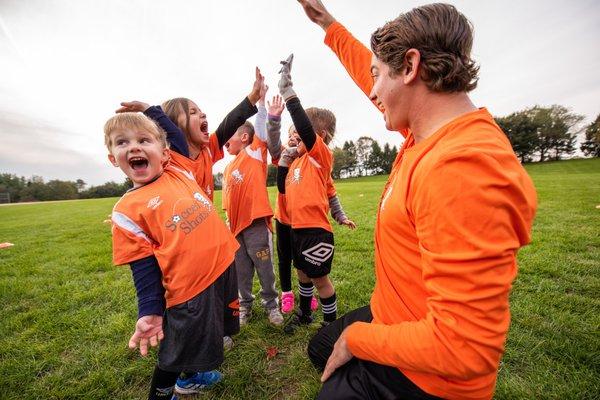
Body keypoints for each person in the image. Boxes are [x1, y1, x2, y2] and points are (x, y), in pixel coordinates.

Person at [297, 1, 538, 399]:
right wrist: (328, 24)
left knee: (337, 360)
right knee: (320, 347)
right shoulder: (426, 132)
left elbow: (464, 349)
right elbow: (371, 74)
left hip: (425, 378)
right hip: (394, 312)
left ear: (409, 67)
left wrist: (359, 339)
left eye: (378, 76)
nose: (372, 90)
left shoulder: (461, 167)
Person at [105, 112, 239, 399]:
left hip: (224, 268)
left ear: (166, 154)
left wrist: (151, 110)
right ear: (113, 159)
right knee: (176, 350)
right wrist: (151, 312)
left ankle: (190, 379)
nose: (134, 147)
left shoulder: (179, 171)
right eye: (122, 142)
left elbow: (175, 136)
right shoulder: (127, 210)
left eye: (144, 140)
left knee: (203, 337)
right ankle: (162, 394)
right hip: (190, 291)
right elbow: (143, 269)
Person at [275, 55, 355, 333]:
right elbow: (283, 188)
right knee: (303, 275)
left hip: (315, 231)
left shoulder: (320, 156)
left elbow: (305, 130)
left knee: (320, 279)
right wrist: (285, 160)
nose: (295, 134)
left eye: (300, 131)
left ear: (317, 135)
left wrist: (288, 92)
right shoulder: (296, 160)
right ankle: (305, 314)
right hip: (297, 229)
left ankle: (330, 324)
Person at [117, 68, 265, 201]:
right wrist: (148, 109)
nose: (203, 114)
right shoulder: (168, 159)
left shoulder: (208, 149)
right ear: (172, 124)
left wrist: (252, 97)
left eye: (201, 111)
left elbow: (231, 122)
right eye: (193, 112)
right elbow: (174, 136)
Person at [221, 86, 284, 326]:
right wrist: (227, 220)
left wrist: (260, 104)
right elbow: (228, 199)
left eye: (232, 136)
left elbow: (260, 128)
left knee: (264, 266)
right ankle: (244, 305)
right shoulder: (228, 167)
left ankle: (271, 304)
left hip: (256, 224)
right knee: (241, 270)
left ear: (245, 138)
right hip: (235, 228)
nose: (226, 141)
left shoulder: (254, 152)